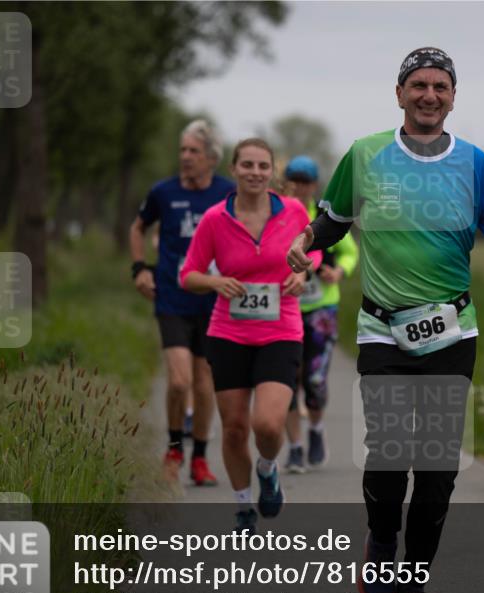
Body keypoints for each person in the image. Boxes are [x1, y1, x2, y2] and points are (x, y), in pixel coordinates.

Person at [287, 48, 484, 593]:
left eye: (440, 87)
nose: (429, 95)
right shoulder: (366, 154)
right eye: (418, 85)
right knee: (392, 449)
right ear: (399, 93)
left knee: (438, 463)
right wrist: (307, 241)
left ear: (453, 97)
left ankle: (416, 579)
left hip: (452, 331)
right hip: (382, 330)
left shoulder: (474, 163)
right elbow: (335, 218)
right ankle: (380, 543)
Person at [181, 138, 322, 534]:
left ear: (272, 172)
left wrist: (303, 270)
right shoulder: (214, 219)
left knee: (267, 425)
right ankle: (243, 504)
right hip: (228, 332)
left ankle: (267, 469)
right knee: (235, 427)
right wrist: (215, 281)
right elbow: (187, 275)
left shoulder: (293, 211)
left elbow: (315, 249)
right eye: (248, 165)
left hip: (281, 329)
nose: (255, 173)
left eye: (263, 166)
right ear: (234, 169)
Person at [130, 119, 233, 487]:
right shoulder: (163, 192)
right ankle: (174, 449)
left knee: (205, 383)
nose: (186, 157)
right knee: (178, 381)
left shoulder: (227, 193)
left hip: (214, 302)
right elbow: (138, 227)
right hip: (172, 297)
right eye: (183, 150)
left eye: (193, 151)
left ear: (211, 158)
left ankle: (200, 459)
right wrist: (140, 268)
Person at [281, 156, 359, 473]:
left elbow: (350, 252)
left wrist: (339, 271)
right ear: (286, 183)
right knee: (286, 381)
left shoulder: (325, 218)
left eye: (306, 181)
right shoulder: (278, 216)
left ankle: (315, 430)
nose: (299, 187)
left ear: (314, 185)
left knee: (314, 380)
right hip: (285, 308)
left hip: (321, 308)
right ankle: (295, 448)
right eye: (294, 180)